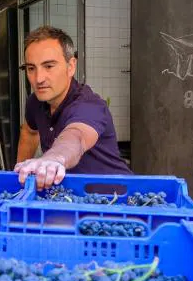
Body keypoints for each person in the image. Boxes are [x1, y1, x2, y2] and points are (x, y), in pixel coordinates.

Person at [15, 26, 132, 190]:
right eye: (31, 68)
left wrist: (55, 158)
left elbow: (75, 137)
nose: (38, 78)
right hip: (71, 200)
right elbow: (29, 131)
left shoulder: (89, 105)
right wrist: (19, 178)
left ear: (71, 66)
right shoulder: (36, 102)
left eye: (49, 66)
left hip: (115, 202)